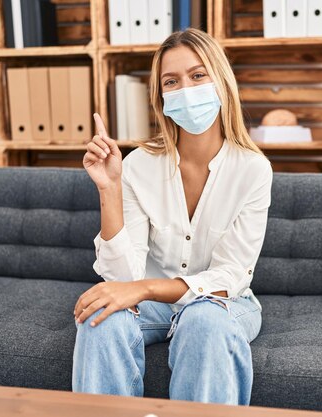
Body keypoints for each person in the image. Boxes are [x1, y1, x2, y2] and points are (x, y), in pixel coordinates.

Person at [71, 27, 273, 406]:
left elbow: (229, 276)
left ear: (221, 82)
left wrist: (145, 288)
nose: (186, 89)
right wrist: (109, 189)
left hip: (224, 302)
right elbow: (122, 280)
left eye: (198, 75)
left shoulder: (253, 170)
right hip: (151, 305)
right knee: (102, 318)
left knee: (204, 320)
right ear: (161, 96)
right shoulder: (138, 165)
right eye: (172, 81)